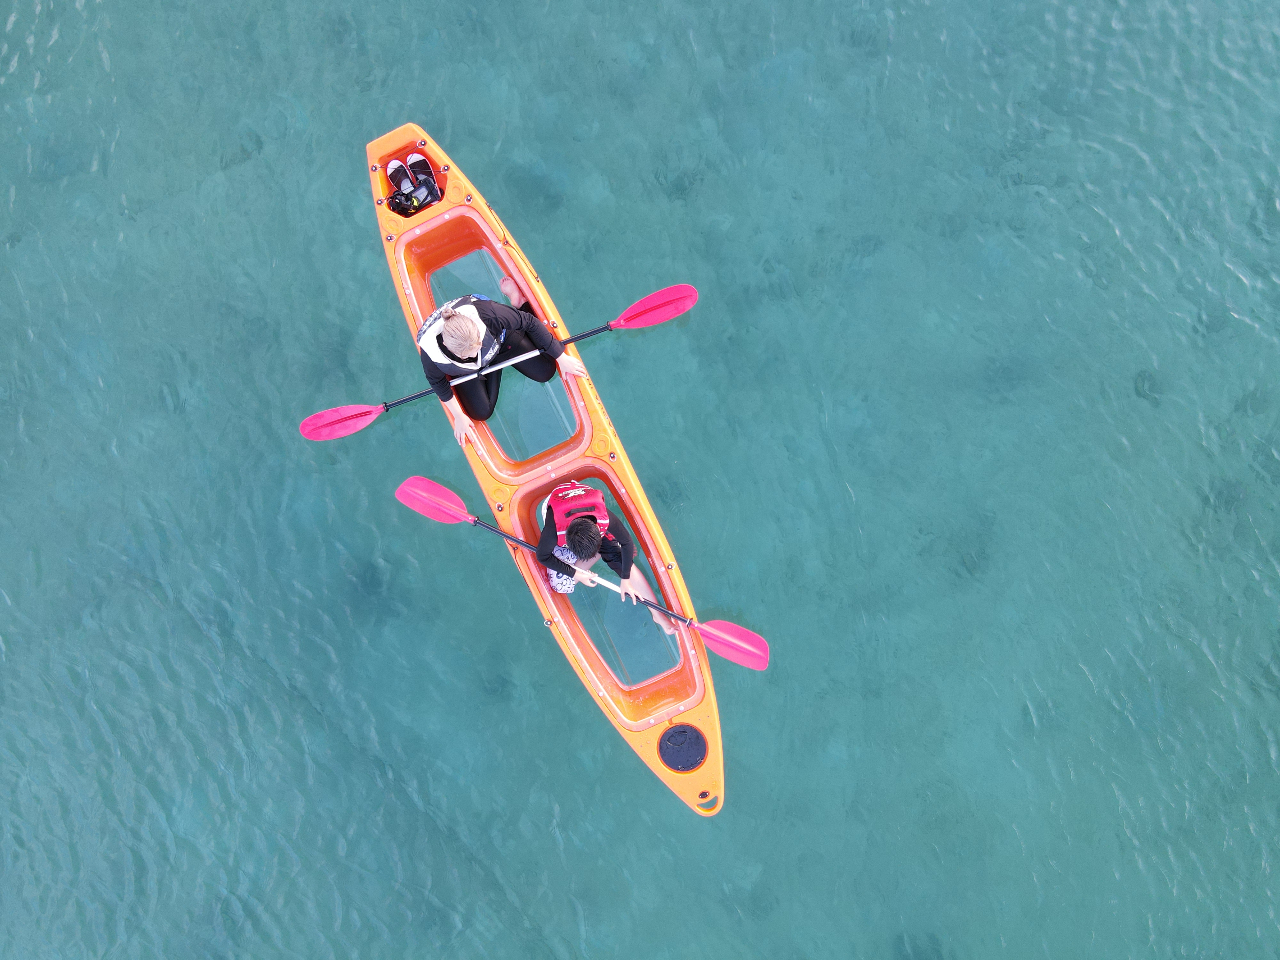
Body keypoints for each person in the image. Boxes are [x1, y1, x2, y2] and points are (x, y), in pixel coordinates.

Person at [417, 276, 586, 446]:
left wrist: (561, 357)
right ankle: (491, 364)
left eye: (478, 345)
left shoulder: (489, 314)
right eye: (468, 354)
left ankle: (519, 302)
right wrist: (458, 415)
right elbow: (437, 382)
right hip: (473, 367)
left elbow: (529, 323)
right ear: (447, 346)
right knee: (480, 412)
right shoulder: (430, 353)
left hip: (502, 342)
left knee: (546, 371)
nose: (476, 352)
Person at [536, 481, 675, 635]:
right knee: (560, 585)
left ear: (598, 529)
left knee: (621, 559)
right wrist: (576, 574)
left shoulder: (605, 518)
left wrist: (625, 580)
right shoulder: (553, 530)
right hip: (562, 512)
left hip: (587, 517)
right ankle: (601, 552)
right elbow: (542, 556)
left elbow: (627, 543)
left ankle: (658, 615)